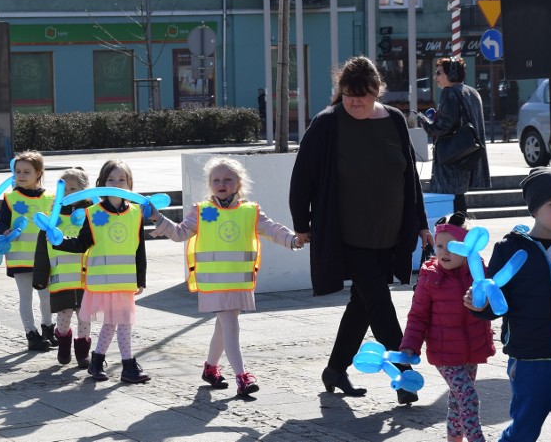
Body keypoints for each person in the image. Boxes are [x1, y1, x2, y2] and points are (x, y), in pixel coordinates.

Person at [289, 55, 432, 404]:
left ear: (377, 91)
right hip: (346, 234)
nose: (355, 101)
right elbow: (302, 177)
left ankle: (336, 368)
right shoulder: (326, 124)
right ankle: (404, 375)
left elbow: (409, 176)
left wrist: (421, 223)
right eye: (349, 94)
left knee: (363, 303)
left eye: (363, 95)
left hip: (390, 232)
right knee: (380, 304)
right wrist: (301, 224)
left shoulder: (395, 120)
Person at [149, 156, 304, 396]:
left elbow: (273, 230)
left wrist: (294, 240)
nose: (221, 184)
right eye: (216, 180)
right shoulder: (201, 212)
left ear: (239, 183)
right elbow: (179, 233)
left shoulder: (250, 212)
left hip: (238, 282)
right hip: (213, 285)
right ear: (210, 184)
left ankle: (210, 369)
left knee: (223, 329)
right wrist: (158, 218)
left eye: (228, 179)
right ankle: (242, 377)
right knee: (231, 327)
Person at [467, 166, 551, 441]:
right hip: (529, 361)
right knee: (524, 430)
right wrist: (480, 305)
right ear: (535, 208)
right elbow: (495, 300)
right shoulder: (510, 248)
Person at [52, 160, 150, 384]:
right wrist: (59, 241)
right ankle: (128, 366)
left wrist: (141, 279)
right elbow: (80, 244)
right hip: (101, 282)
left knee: (115, 323)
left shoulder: (136, 213)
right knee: (121, 323)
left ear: (129, 183)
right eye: (111, 179)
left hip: (125, 283)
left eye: (121, 179)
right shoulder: (92, 213)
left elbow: (139, 249)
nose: (116, 183)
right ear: (101, 183)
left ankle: (97, 362)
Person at [400, 213, 495, 442]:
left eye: (452, 246)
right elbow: (417, 316)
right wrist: (410, 345)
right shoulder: (430, 277)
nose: (443, 252)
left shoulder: (479, 272)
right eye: (440, 246)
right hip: (444, 352)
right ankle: (476, 439)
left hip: (472, 348)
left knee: (457, 399)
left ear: (468, 248)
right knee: (468, 396)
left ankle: (454, 439)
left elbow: (494, 301)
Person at [33, 167, 94, 367]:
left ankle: (83, 353)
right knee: (63, 317)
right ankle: (63, 344)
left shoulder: (92, 215)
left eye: (73, 189)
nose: (68, 193)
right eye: (65, 189)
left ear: (85, 189)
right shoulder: (53, 216)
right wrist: (40, 277)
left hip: (86, 277)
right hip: (62, 277)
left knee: (84, 318)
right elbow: (43, 249)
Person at [0, 151, 55, 351]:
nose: (21, 175)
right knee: (26, 297)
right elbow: (1, 221)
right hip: (19, 257)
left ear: (38, 173)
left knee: (46, 295)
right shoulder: (10, 198)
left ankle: (48, 327)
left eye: (26, 171)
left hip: (44, 258)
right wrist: (5, 230)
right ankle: (31, 333)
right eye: (17, 171)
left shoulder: (50, 197)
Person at [420, 57, 491, 213]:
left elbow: (443, 126)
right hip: (467, 156)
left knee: (449, 205)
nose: (435, 77)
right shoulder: (471, 92)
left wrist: (424, 122)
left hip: (450, 159)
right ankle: (460, 232)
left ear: (451, 75)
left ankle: (452, 234)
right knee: (458, 200)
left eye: (438, 73)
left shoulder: (449, 93)